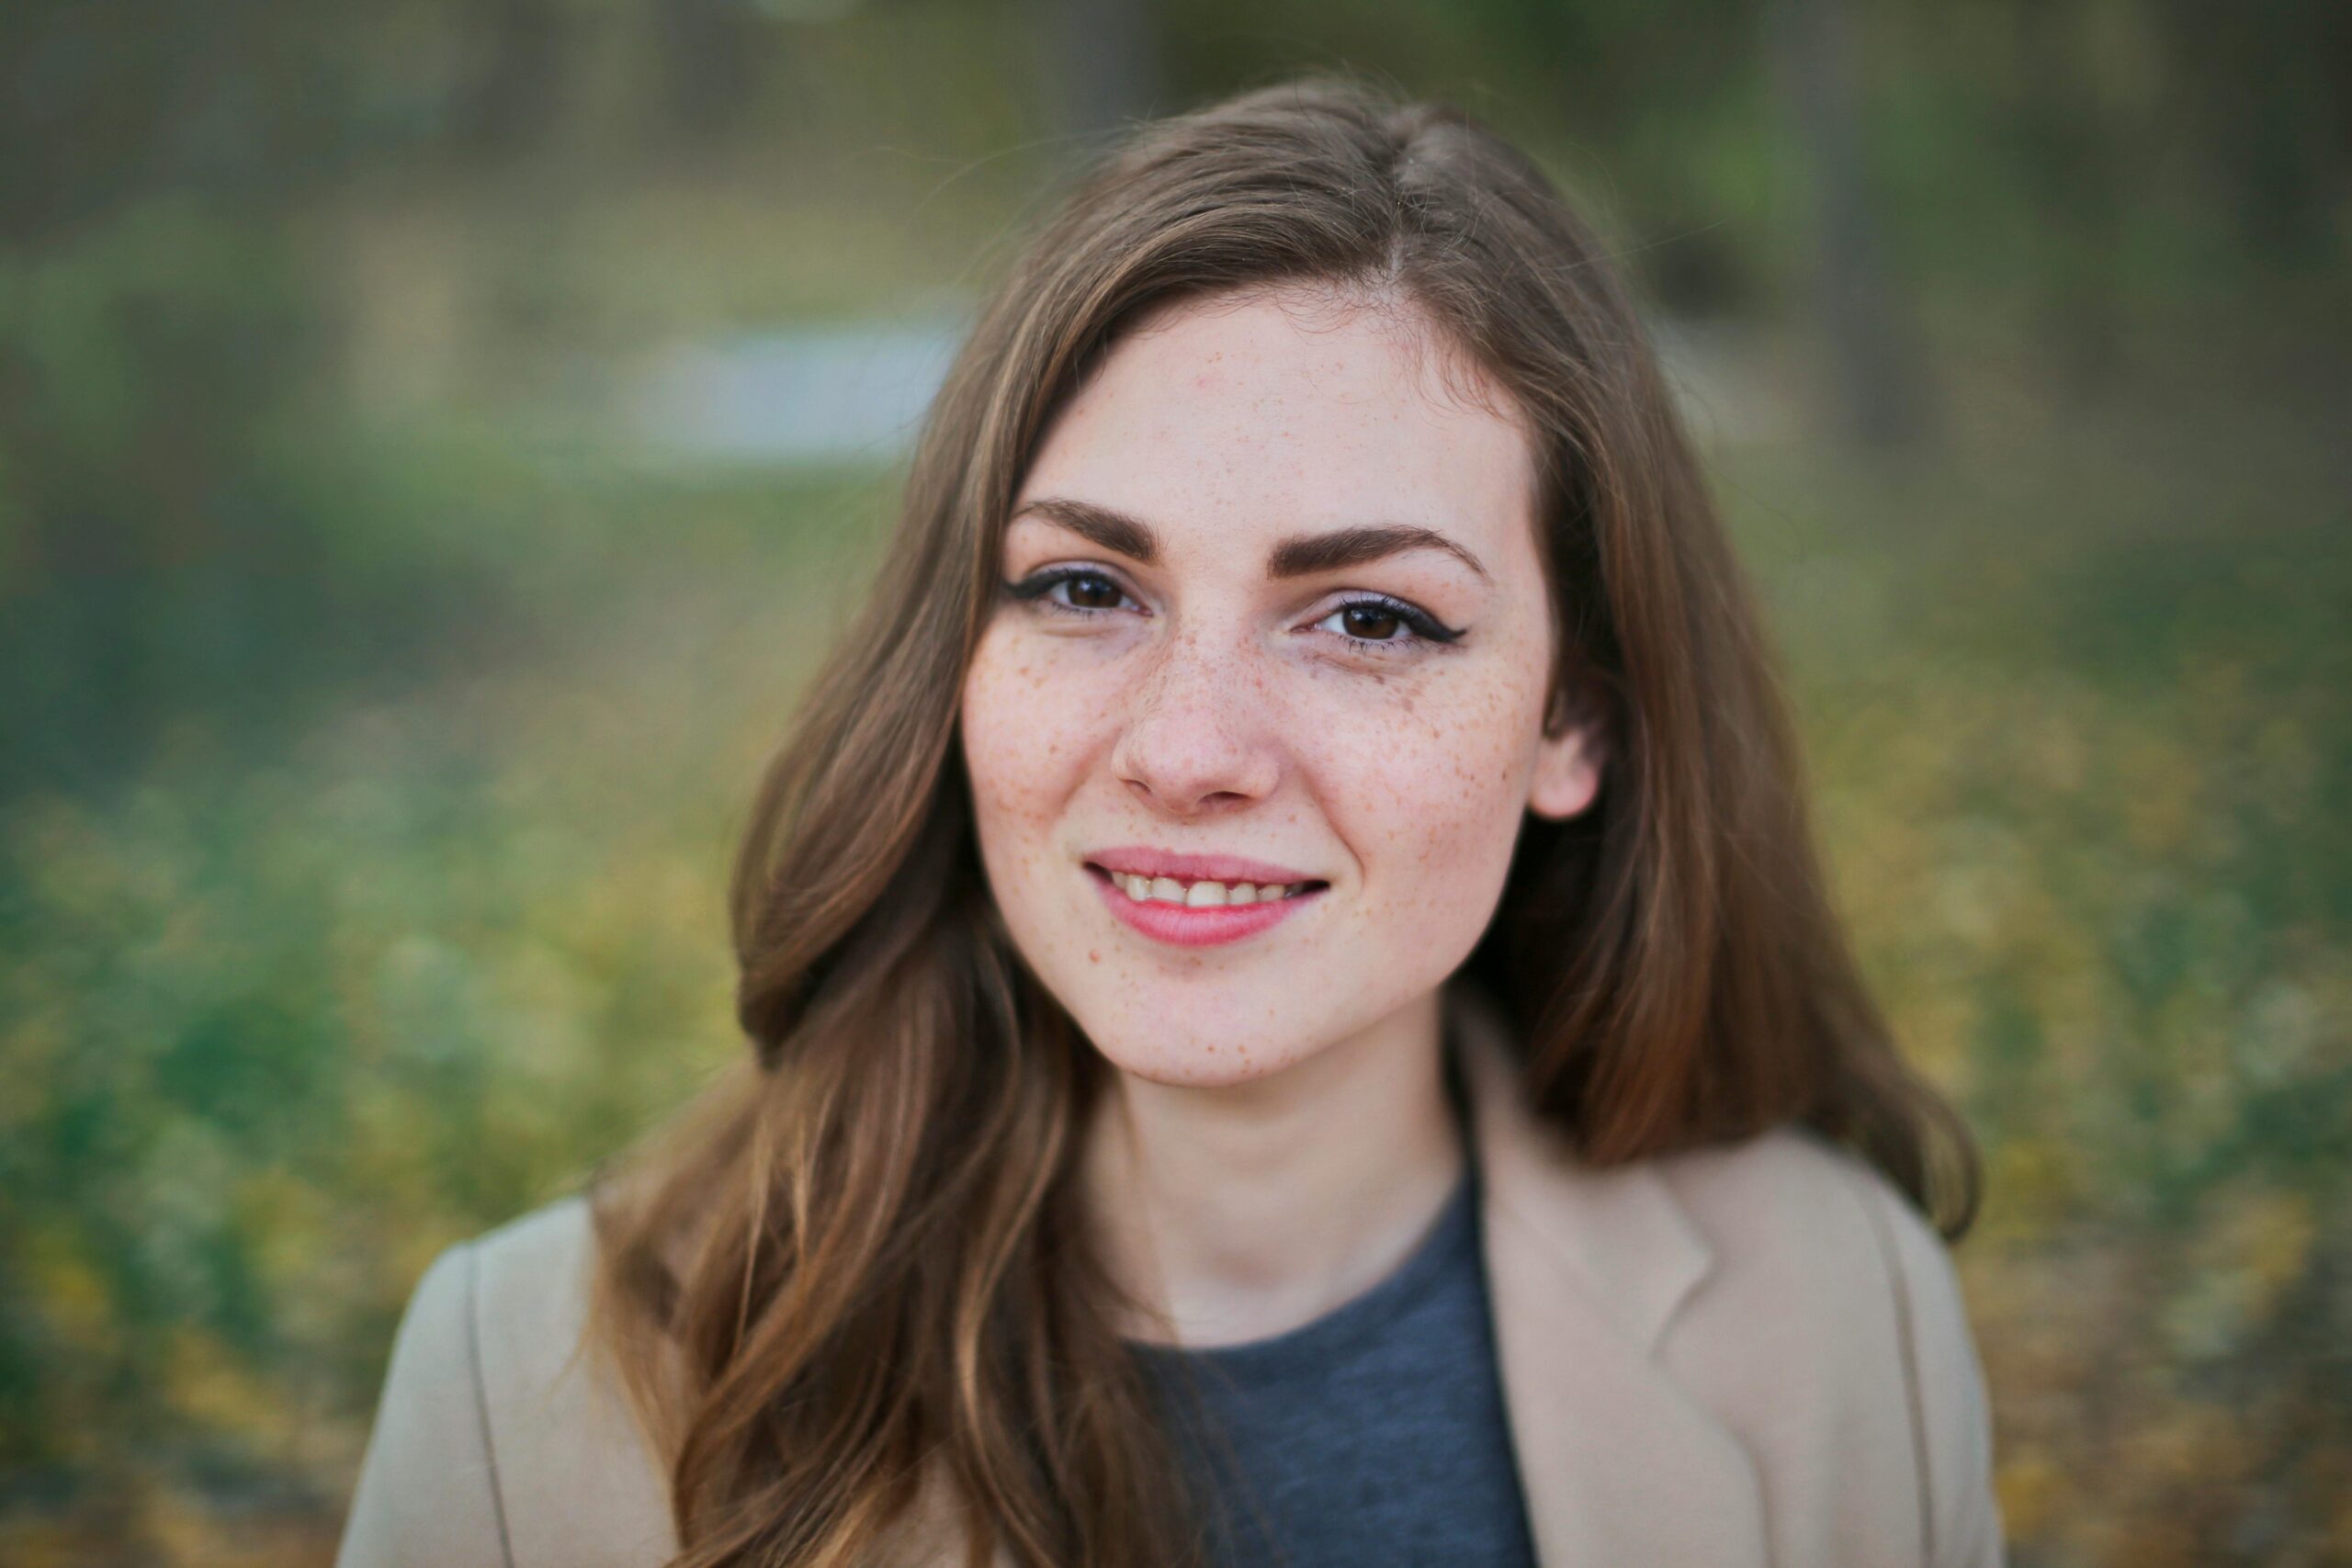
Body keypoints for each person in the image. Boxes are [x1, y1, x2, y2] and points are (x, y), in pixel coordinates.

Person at [335, 76, 2004, 1568]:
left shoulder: (1844, 1318)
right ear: (958, 658)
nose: (1189, 749)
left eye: (1369, 619)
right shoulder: (526, 1391)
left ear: (1576, 719)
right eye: (1083, 587)